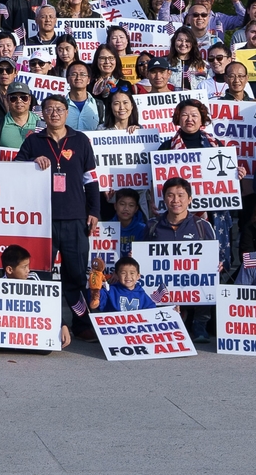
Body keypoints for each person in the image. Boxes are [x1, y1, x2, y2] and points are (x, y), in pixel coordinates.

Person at [17, 93, 97, 337]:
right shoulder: (33, 141)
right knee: (41, 274)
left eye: (59, 109)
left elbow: (90, 179)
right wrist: (32, 161)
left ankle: (82, 324)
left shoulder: (80, 140)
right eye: (49, 109)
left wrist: (94, 210)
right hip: (43, 220)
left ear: (67, 113)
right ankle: (46, 323)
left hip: (75, 218)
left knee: (75, 276)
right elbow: (15, 172)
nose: (54, 113)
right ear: (43, 113)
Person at [88, 254, 156, 312]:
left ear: (138, 276)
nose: (128, 276)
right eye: (123, 273)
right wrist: (94, 289)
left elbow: (151, 310)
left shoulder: (141, 293)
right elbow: (97, 299)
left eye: (132, 273)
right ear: (116, 275)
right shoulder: (110, 290)